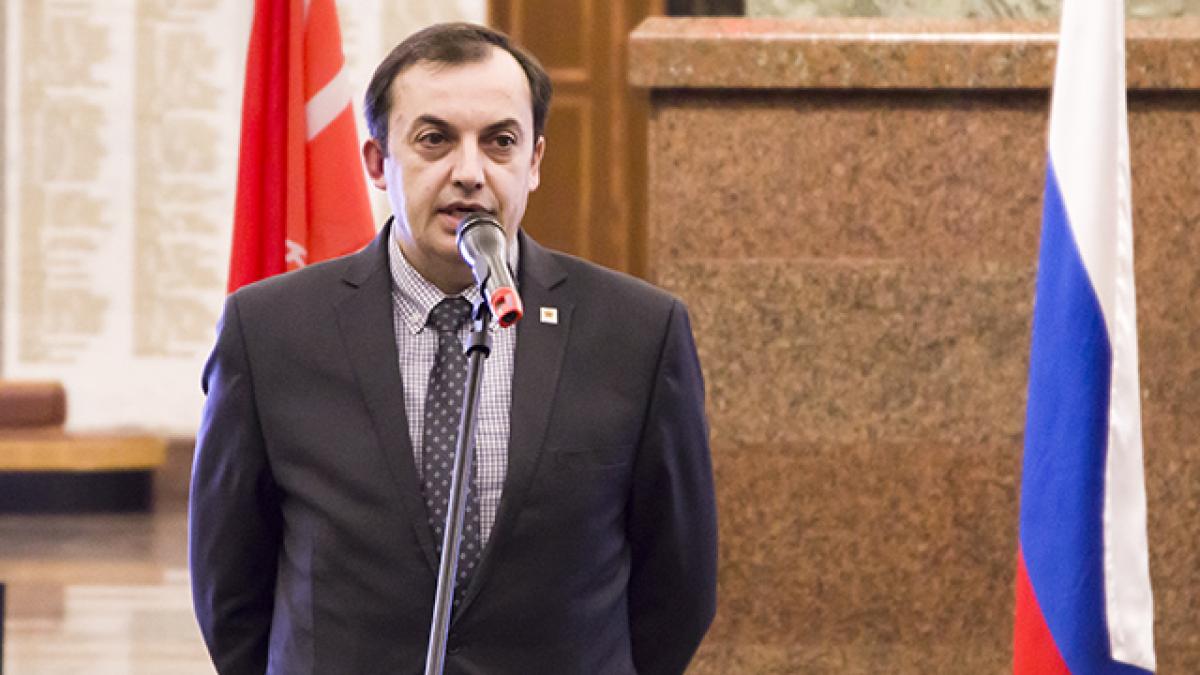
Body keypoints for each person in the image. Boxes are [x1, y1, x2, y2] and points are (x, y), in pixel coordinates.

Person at [189, 22, 717, 675]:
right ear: (378, 162)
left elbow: (679, 588)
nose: (470, 172)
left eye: (500, 142)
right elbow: (229, 588)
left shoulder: (637, 332)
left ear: (534, 162)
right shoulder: (270, 330)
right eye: (435, 139)